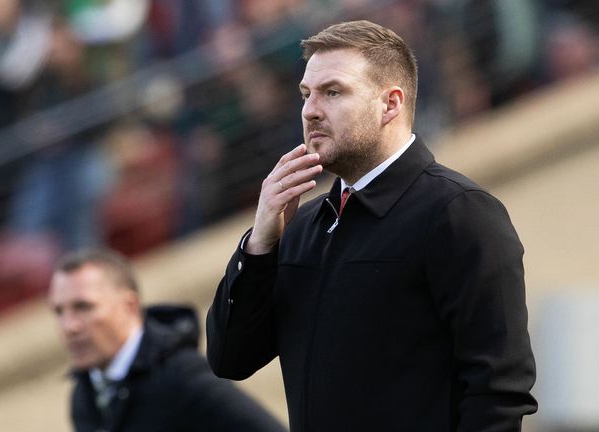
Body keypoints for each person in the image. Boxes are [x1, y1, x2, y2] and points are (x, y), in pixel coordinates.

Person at [206, 20, 537, 431]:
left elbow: (499, 392)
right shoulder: (300, 225)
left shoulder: (459, 213)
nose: (310, 110)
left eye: (333, 92)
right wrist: (259, 245)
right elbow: (229, 360)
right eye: (306, 94)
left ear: (391, 104)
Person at [48, 249, 286, 432]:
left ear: (129, 307)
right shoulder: (83, 397)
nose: (69, 326)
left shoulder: (182, 379)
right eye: (59, 312)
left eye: (84, 307)